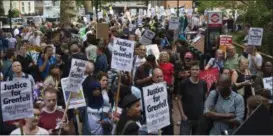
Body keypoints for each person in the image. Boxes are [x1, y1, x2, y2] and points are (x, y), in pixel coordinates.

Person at [177, 63, 207, 135]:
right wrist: (182, 115)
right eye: (193, 69)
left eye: (196, 69)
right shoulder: (184, 83)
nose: (195, 71)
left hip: (199, 118)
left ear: (199, 71)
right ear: (190, 71)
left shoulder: (203, 83)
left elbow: (205, 98)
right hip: (187, 118)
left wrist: (204, 112)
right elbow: (178, 99)